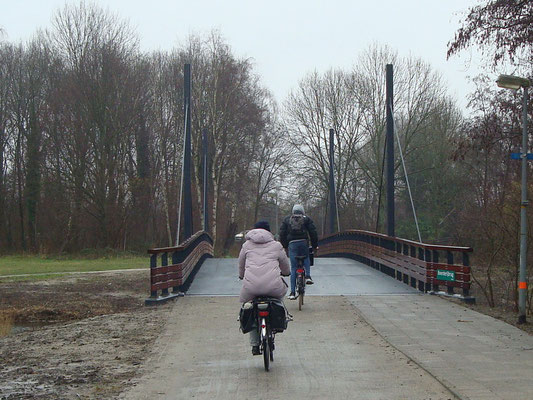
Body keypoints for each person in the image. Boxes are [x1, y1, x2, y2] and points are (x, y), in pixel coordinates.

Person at [238, 220, 290, 355]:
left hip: (251, 287)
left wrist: (241, 275)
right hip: (273, 287)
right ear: (269, 231)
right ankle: (278, 320)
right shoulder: (276, 245)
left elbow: (241, 264)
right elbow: (285, 264)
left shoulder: (246, 245)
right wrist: (286, 272)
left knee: (249, 308)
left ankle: (255, 344)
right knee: (280, 295)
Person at [279, 204, 318, 300]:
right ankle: (308, 276)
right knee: (306, 258)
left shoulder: (287, 219)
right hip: (303, 242)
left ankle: (292, 292)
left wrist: (285, 246)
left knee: (293, 268)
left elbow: (282, 233)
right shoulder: (306, 219)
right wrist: (314, 245)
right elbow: (313, 232)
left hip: (292, 244)